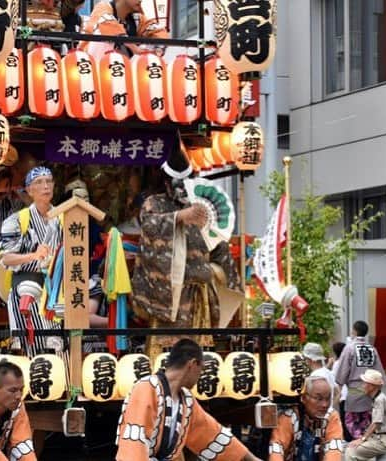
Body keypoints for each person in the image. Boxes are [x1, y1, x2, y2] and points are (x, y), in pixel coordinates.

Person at [131, 146, 241, 359]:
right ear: (166, 182)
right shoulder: (154, 204)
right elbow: (150, 227)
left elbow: (217, 243)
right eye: (177, 184)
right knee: (166, 354)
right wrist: (179, 217)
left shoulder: (201, 207)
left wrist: (220, 273)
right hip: (168, 295)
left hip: (199, 293)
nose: (182, 189)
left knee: (198, 352)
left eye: (186, 183)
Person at [116, 338, 262, 461]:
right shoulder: (146, 388)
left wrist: (253, 460)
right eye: (201, 370)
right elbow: (134, 441)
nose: (200, 376)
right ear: (192, 365)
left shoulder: (186, 400)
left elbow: (213, 434)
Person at [0, 167, 62, 355]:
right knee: (32, 349)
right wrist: (34, 255)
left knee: (60, 348)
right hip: (27, 285)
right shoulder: (17, 220)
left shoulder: (64, 217)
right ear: (29, 190)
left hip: (58, 288)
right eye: (39, 182)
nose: (45, 186)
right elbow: (7, 258)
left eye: (49, 181)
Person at [269, 375, 344, 461]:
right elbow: (276, 449)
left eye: (327, 399)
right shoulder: (289, 416)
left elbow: (334, 448)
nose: (325, 404)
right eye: (318, 398)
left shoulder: (331, 416)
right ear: (304, 398)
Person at [335, 321, 385, 441]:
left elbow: (342, 370)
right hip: (370, 392)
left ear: (354, 331)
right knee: (367, 422)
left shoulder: (350, 348)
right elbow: (379, 373)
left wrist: (340, 385)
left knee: (351, 421)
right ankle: (364, 442)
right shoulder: (372, 349)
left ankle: (358, 442)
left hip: (354, 390)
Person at [81, 0, 169, 59]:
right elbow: (106, 23)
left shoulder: (137, 18)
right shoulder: (102, 7)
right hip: (90, 65)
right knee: (104, 37)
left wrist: (157, 52)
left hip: (122, 71)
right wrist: (134, 48)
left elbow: (159, 30)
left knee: (151, 46)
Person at [345, 370, 386, 461]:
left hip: (383, 441)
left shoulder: (379, 399)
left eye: (365, 383)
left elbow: (376, 422)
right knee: (353, 446)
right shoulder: (377, 398)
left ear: (372, 386)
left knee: (351, 451)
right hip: (378, 438)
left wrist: (362, 439)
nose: (362, 385)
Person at [0, 171, 26, 256]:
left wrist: (17, 191)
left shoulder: (21, 200)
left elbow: (35, 206)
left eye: (8, 185)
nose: (6, 188)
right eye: (4, 185)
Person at [302, 342, 339, 410]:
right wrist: (330, 408)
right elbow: (338, 393)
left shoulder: (315, 376)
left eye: (306, 358)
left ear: (310, 359)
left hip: (319, 415)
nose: (305, 361)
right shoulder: (327, 372)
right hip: (327, 414)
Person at [330, 341, 349, 440]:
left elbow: (333, 377)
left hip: (342, 393)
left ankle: (346, 437)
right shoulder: (346, 362)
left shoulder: (337, 363)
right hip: (348, 392)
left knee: (343, 416)